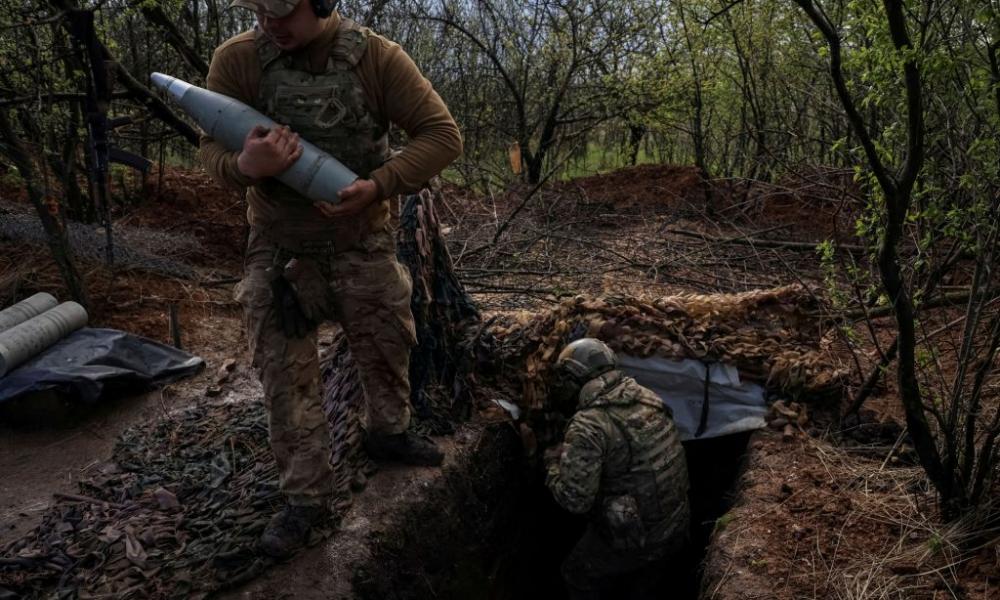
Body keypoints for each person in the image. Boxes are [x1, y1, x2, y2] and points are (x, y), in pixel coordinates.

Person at [197, 0, 463, 558]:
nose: (270, 24)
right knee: (286, 380)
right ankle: (304, 499)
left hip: (360, 241)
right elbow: (211, 149)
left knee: (388, 344)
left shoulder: (378, 59)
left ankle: (388, 434)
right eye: (259, 11)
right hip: (278, 251)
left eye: (283, 12)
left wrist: (379, 185)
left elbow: (441, 135)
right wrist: (247, 168)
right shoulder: (238, 61)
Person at [545, 338, 690, 600]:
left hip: (641, 540)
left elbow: (575, 501)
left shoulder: (590, 424)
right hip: (677, 524)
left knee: (576, 573)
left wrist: (551, 462)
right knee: (644, 584)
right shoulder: (648, 397)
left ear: (574, 380)